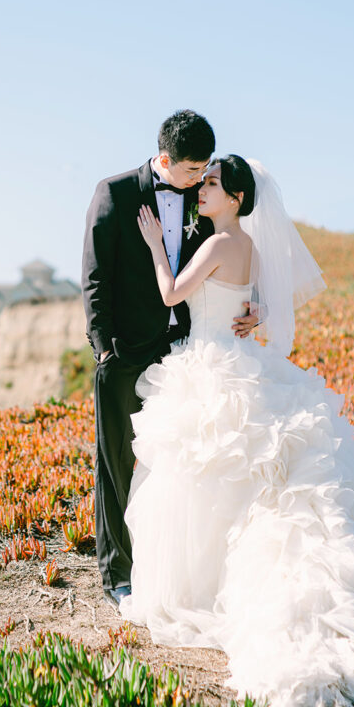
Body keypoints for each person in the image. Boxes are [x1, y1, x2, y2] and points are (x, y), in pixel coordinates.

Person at [118, 154, 354, 707]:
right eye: (203, 182)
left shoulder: (216, 244)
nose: (202, 190)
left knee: (208, 477)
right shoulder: (251, 247)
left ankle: (205, 587)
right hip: (241, 361)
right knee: (248, 476)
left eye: (212, 184)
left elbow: (171, 295)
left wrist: (155, 248)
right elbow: (258, 302)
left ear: (237, 198)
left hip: (211, 365)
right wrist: (254, 315)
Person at [81, 111, 261, 607]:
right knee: (116, 462)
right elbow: (95, 277)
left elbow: (231, 263)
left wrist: (255, 309)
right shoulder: (114, 193)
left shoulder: (202, 200)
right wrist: (103, 347)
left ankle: (165, 570)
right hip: (123, 352)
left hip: (182, 353)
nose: (200, 179)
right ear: (165, 159)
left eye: (206, 171)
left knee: (175, 466)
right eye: (192, 170)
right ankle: (118, 575)